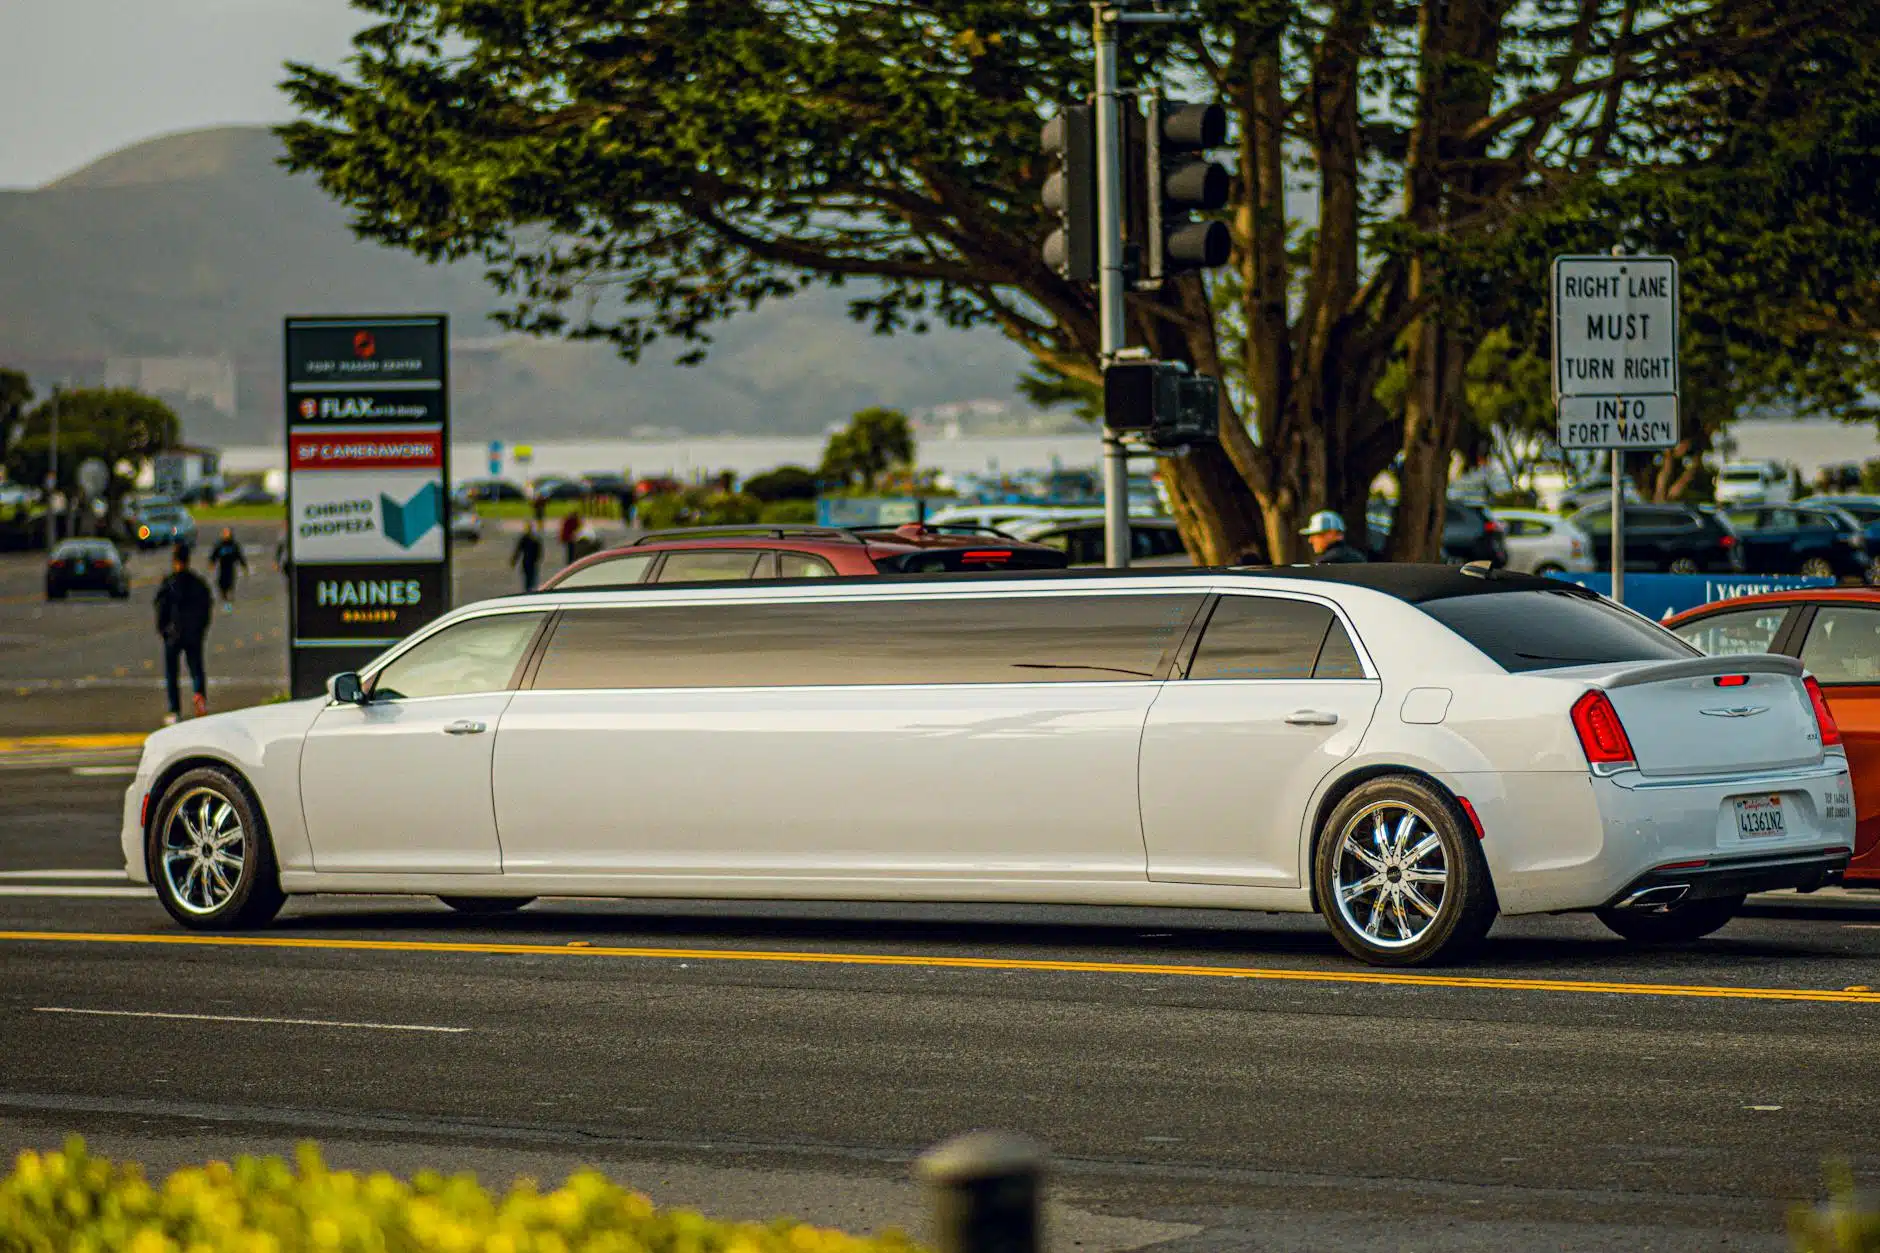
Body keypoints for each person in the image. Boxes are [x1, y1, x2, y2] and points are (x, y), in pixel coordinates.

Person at [154, 543, 213, 725]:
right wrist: (201, 629)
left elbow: (161, 608)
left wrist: (163, 629)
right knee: (196, 669)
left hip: (174, 634)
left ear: (174, 561)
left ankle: (175, 709)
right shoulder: (198, 583)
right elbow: (207, 606)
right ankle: (199, 698)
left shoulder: (169, 583)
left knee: (172, 674)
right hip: (193, 633)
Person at [1300, 510, 1368, 565]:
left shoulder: (1327, 562)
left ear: (1332, 533)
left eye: (1316, 534)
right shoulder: (1358, 557)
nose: (1310, 540)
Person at [209, 527, 248, 611]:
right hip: (222, 568)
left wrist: (244, 566)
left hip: (230, 568)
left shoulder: (234, 545)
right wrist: (212, 563)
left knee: (230, 583)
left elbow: (239, 556)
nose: (225, 535)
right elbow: (214, 554)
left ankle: (228, 601)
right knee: (221, 584)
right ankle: (224, 597)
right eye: (224, 533)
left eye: (227, 533)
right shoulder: (220, 544)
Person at [513, 524, 544, 591]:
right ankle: (530, 588)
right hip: (530, 561)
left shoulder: (526, 538)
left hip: (529, 561)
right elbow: (539, 551)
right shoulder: (534, 539)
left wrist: (514, 560)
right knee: (530, 576)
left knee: (530, 577)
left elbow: (518, 550)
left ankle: (529, 588)